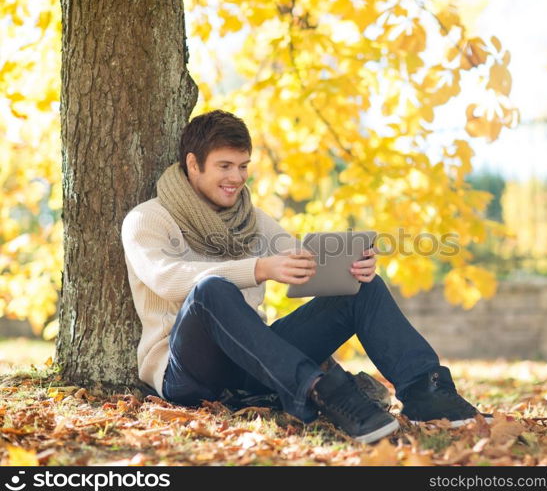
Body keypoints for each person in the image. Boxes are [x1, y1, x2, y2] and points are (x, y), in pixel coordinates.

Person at [121, 110, 492, 444]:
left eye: (243, 166)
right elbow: (166, 278)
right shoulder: (148, 218)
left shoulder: (251, 219)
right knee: (210, 290)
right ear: (193, 164)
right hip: (188, 372)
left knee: (360, 288)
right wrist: (259, 268)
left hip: (254, 364)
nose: (237, 178)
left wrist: (353, 267)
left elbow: (305, 261)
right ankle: (322, 391)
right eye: (225, 166)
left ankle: (427, 392)